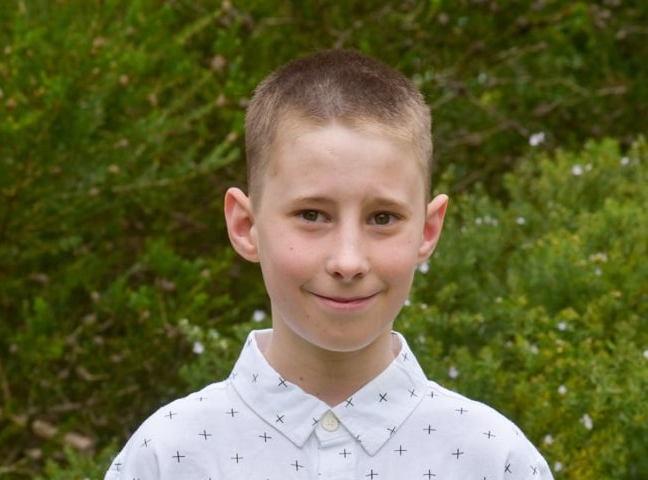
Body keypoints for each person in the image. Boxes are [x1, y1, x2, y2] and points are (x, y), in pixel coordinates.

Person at [105, 49, 553, 480]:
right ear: (246, 225)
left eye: (382, 218)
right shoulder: (167, 458)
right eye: (312, 215)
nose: (348, 261)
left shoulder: (495, 461)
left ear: (428, 230)